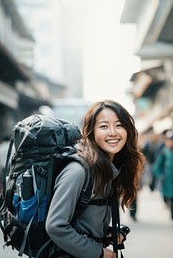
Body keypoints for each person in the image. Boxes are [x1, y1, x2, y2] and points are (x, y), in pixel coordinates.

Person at [46, 99, 144, 258]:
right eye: (104, 126)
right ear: (91, 132)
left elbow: (83, 222)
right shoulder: (78, 171)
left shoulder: (108, 169)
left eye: (119, 125)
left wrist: (107, 234)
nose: (113, 132)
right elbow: (56, 226)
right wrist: (97, 252)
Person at [153, 130, 173, 224]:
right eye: (169, 140)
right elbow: (157, 166)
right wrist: (160, 175)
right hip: (168, 181)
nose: (170, 142)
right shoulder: (165, 152)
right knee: (169, 199)